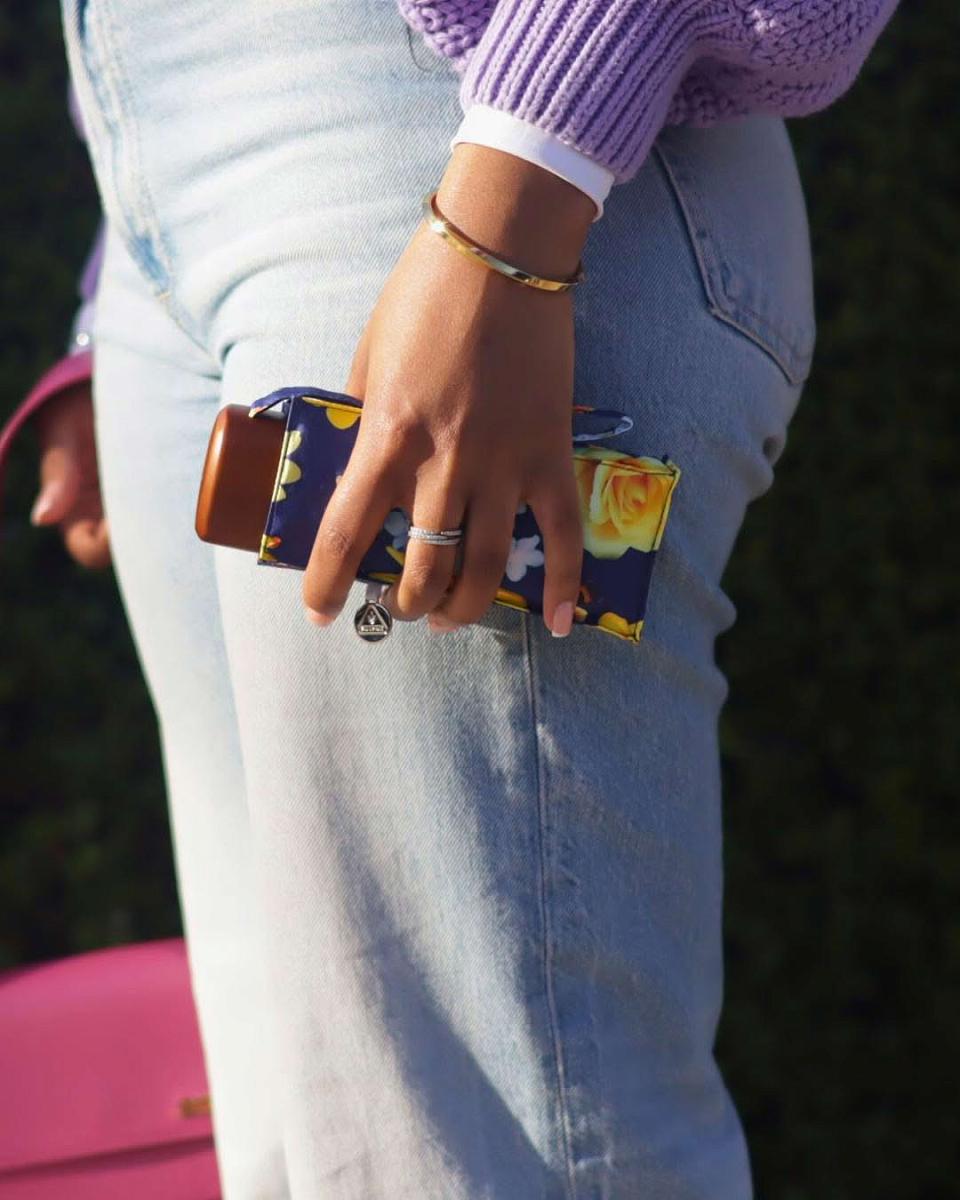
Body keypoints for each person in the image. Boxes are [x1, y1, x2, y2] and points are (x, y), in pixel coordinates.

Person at [44, 0, 899, 1196]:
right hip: (178, 156)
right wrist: (129, 269)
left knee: (486, 1144)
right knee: (316, 1145)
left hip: (471, 139)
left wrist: (516, 197)